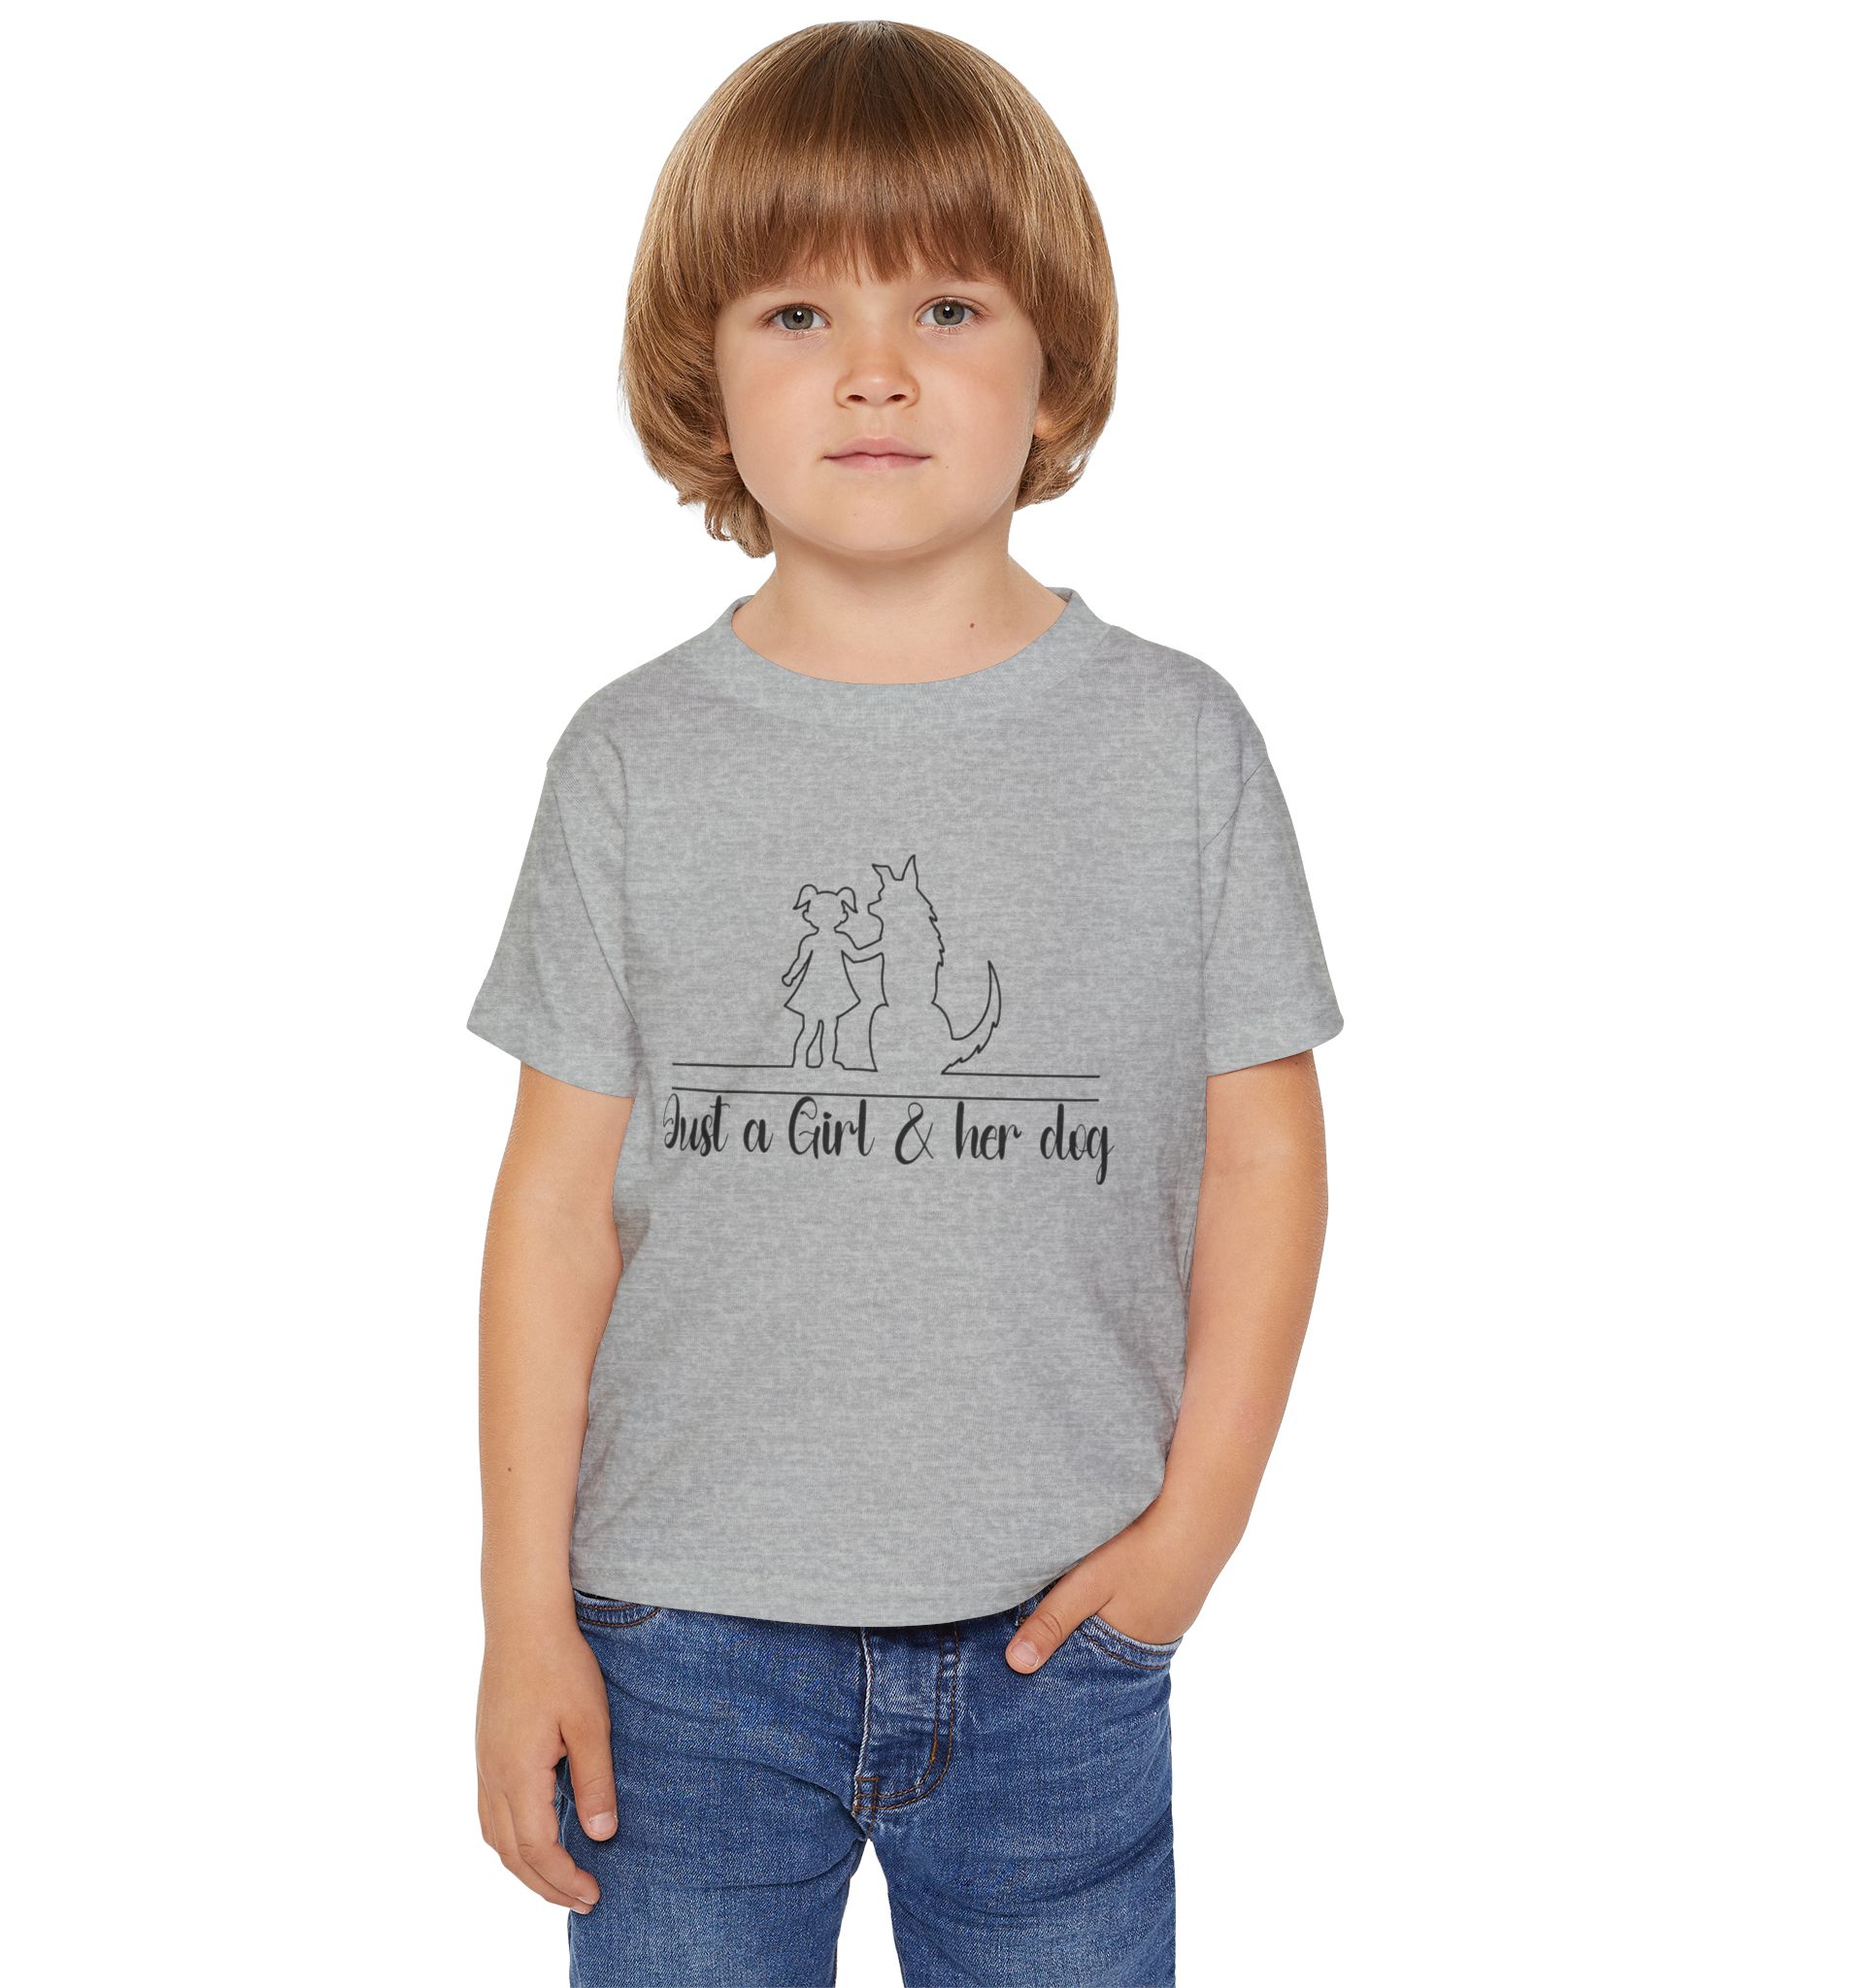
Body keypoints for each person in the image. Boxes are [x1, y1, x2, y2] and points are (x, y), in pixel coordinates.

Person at [467, 22, 1343, 1985]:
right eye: (798, 311)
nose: (874, 367)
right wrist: (524, 1615)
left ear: (1054, 361)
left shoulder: (1174, 746)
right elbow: (553, 1213)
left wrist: (1190, 1538)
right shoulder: (633, 760)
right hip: (675, 1645)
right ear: (704, 370)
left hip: (1059, 1639)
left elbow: (1266, 1160)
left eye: (946, 304)